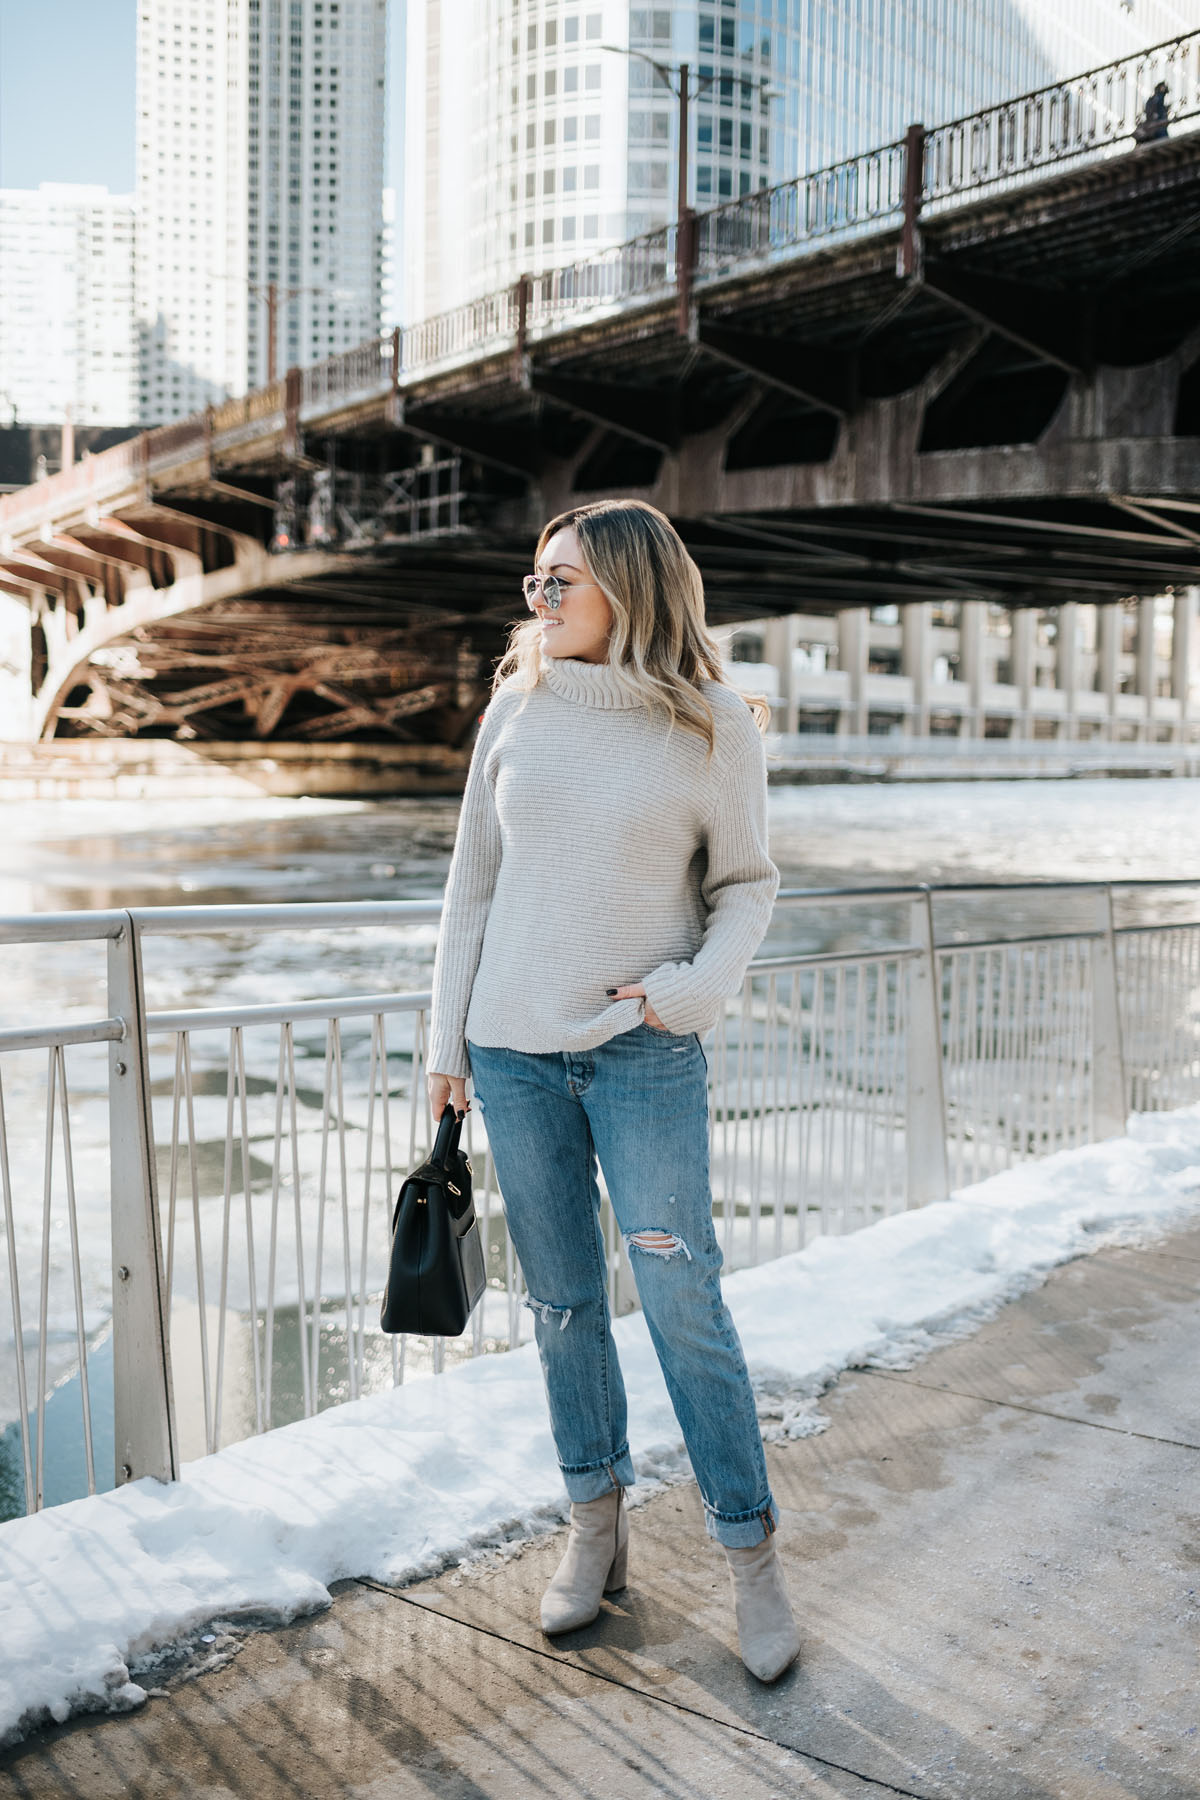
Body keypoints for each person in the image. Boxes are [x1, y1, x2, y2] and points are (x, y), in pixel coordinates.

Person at [426, 497, 800, 1683]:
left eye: (561, 584)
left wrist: (687, 991)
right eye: (534, 581)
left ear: (631, 588)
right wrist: (446, 1048)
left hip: (643, 1054)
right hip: (512, 1054)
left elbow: (747, 885)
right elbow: (469, 891)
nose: (538, 601)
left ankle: (750, 1557)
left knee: (683, 1302)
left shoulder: (712, 729)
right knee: (564, 1306)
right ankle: (596, 1528)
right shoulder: (517, 707)